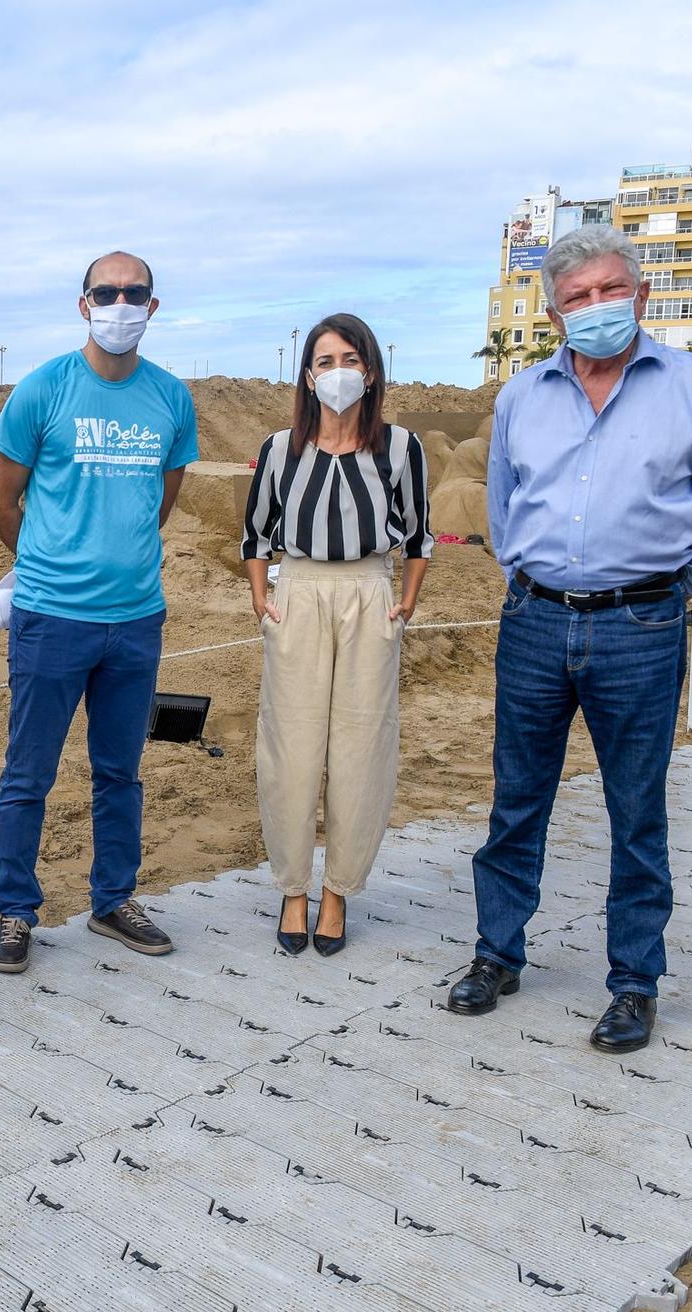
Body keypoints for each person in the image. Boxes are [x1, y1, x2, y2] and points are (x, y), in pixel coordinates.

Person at [447, 225, 692, 1054]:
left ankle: (633, 984)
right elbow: (505, 511)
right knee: (518, 799)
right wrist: (533, 577)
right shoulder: (521, 397)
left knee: (636, 811)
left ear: (642, 294)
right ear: (554, 316)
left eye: (610, 290)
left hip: (642, 624)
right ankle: (496, 954)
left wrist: (683, 591)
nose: (596, 308)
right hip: (537, 620)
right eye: (577, 298)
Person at [0, 251, 198, 973]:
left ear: (152, 306)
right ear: (83, 305)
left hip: (136, 619)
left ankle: (113, 899)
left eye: (134, 292)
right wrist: (49, 560)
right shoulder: (43, 389)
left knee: (121, 770)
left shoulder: (170, 398)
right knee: (28, 773)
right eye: (106, 292)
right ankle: (15, 910)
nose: (120, 303)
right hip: (51, 619)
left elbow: (161, 500)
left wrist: (118, 555)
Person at [241, 314, 433, 957]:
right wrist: (262, 598)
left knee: (360, 749)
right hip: (297, 596)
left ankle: (337, 893)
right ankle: (294, 888)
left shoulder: (401, 448)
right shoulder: (278, 449)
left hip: (368, 597)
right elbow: (256, 533)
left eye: (349, 359)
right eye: (324, 361)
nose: (337, 372)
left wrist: (403, 603)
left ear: (370, 370)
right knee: (291, 749)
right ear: (307, 374)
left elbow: (419, 536)